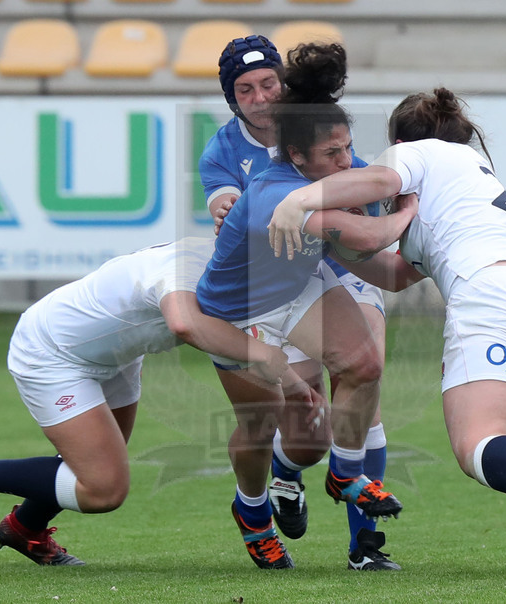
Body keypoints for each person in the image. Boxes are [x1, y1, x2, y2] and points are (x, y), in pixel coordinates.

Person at [267, 88, 506, 576]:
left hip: (494, 296)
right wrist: (330, 243)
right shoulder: (471, 174)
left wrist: (297, 201)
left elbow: (377, 178)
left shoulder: (416, 153)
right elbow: (398, 275)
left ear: (401, 139)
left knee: (477, 442)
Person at [0, 237, 292, 565]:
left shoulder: (234, 262)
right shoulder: (188, 267)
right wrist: (263, 355)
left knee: (90, 463)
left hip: (116, 354)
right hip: (52, 353)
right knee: (104, 489)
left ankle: (24, 527)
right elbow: (185, 325)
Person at [195, 43, 416, 570]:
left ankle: (345, 478)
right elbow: (365, 233)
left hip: (295, 286)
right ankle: (251, 511)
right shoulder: (277, 195)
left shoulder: (313, 163)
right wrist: (410, 209)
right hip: (239, 309)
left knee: (365, 366)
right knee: (263, 426)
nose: (346, 163)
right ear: (297, 158)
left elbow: (377, 256)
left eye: (347, 150)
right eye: (334, 156)